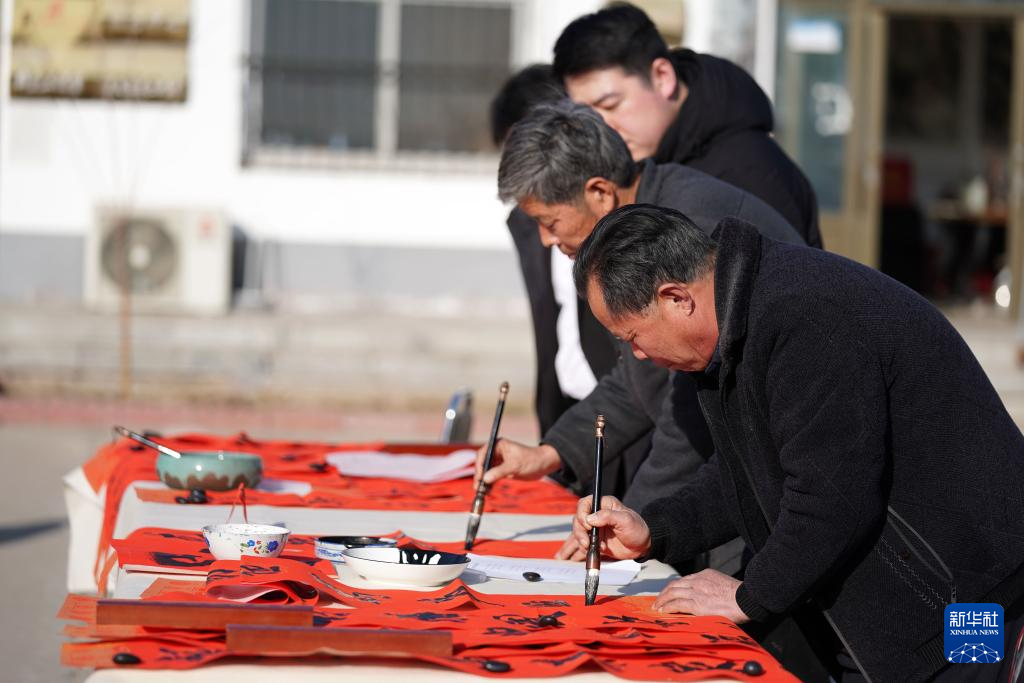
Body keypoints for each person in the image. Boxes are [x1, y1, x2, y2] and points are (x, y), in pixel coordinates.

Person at [568, 204, 1024, 682]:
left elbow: (832, 496)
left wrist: (749, 596)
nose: (638, 354)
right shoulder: (736, 320)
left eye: (634, 336)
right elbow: (747, 470)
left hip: (964, 597)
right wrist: (654, 529)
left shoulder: (805, 316)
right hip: (894, 595)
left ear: (677, 298)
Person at [481, 100, 801, 533]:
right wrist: (551, 452)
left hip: (773, 481)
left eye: (550, 222)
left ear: (599, 192)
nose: (544, 240)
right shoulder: (643, 215)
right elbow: (639, 378)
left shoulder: (684, 225)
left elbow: (687, 412)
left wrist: (636, 523)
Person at [553, 3, 822, 249]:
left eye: (611, 105)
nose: (601, 127)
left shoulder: (752, 171)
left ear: (662, 77)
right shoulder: (638, 161)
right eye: (587, 115)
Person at [490, 65, 617, 439]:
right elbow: (549, 326)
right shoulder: (528, 225)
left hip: (623, 415)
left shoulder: (617, 212)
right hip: (565, 410)